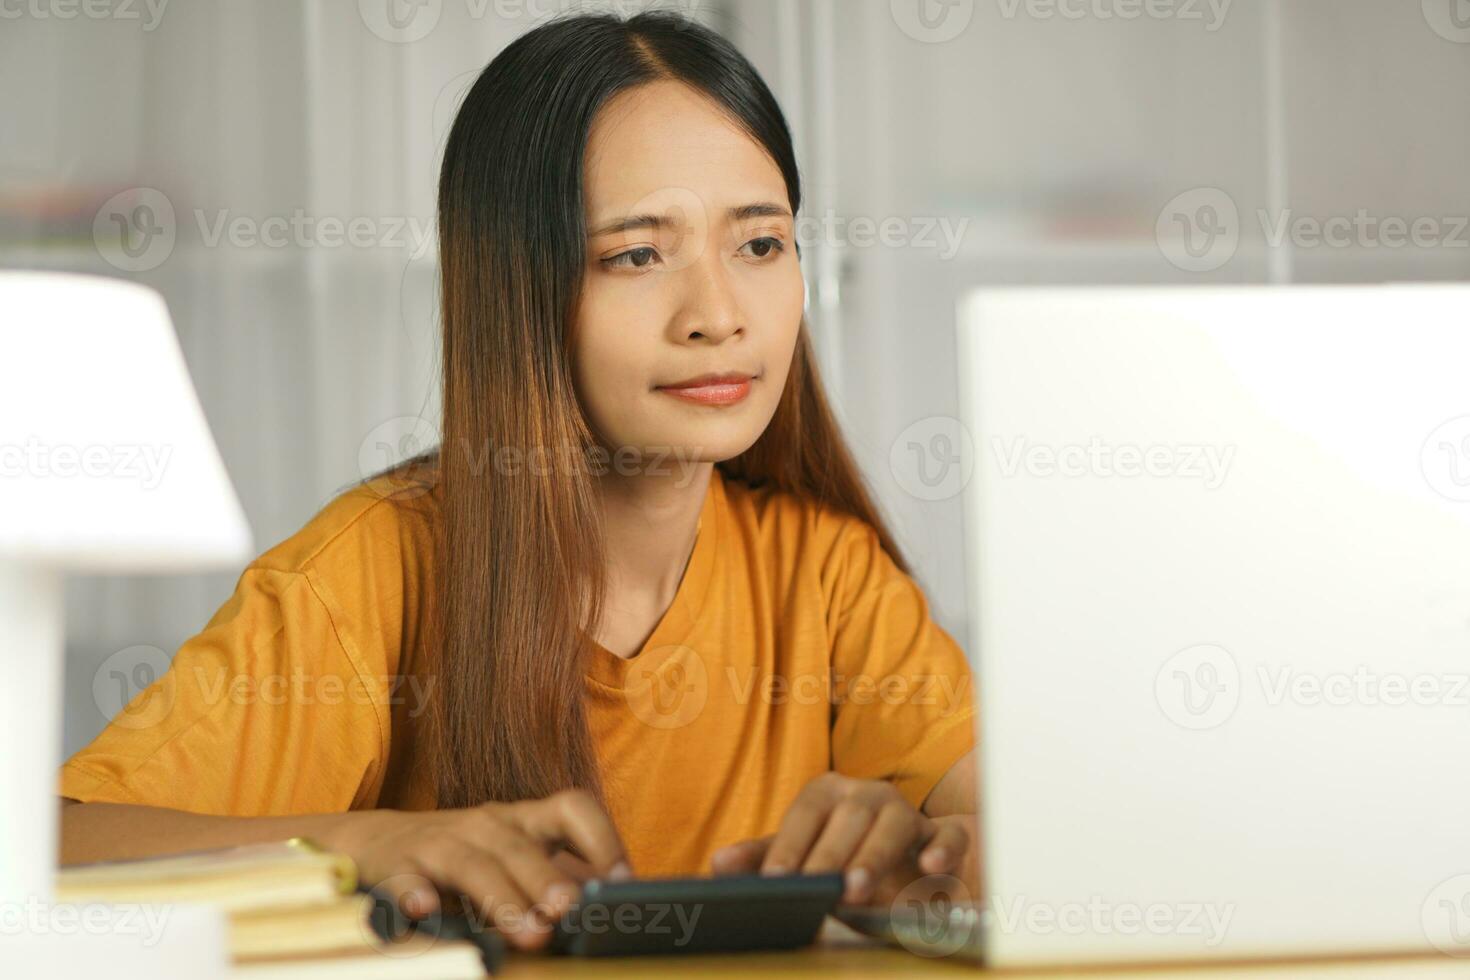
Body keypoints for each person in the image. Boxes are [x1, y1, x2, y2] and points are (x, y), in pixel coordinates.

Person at [58, 10, 978, 952]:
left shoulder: (827, 576)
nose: (717, 315)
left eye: (759, 244)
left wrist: (931, 859)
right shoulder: (370, 572)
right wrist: (361, 841)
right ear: (516, 287)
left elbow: (1047, 839)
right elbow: (53, 846)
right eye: (636, 255)